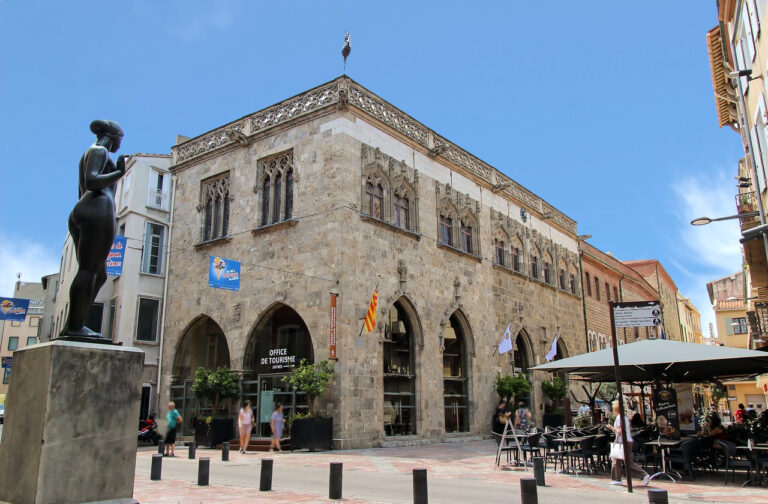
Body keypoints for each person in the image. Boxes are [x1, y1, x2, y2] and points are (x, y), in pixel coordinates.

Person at [61, 120, 127, 340]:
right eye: (120, 138)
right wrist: (119, 173)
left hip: (88, 208)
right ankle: (74, 327)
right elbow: (92, 181)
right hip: (97, 209)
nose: (120, 143)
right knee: (90, 271)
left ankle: (75, 324)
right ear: (113, 137)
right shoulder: (99, 151)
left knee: (99, 274)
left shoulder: (90, 153)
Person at [607, 401, 650, 487]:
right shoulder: (624, 417)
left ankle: (643, 475)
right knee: (620, 461)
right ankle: (617, 479)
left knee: (622, 461)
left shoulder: (619, 418)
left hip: (623, 442)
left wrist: (612, 428)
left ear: (615, 409)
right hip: (627, 441)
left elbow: (620, 431)